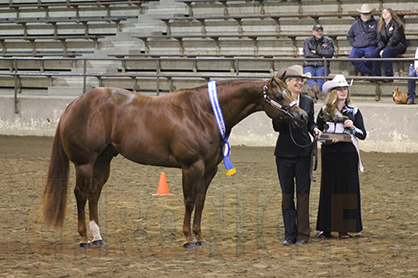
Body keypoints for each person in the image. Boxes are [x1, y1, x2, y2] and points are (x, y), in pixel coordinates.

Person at [273, 65, 320, 246]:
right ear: (287, 83)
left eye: (302, 80)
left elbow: (311, 124)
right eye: (297, 80)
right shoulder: (279, 101)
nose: (300, 82)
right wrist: (286, 112)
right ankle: (289, 233)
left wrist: (315, 130)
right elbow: (277, 126)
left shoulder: (308, 102)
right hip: (284, 153)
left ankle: (303, 233)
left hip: (303, 152)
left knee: (303, 194)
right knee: (287, 195)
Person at [315, 75, 367, 239]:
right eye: (339, 88)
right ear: (333, 92)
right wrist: (325, 138)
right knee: (328, 187)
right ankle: (326, 227)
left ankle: (344, 228)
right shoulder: (324, 111)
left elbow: (363, 134)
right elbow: (316, 130)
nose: (343, 91)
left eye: (345, 88)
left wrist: (352, 128)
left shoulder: (354, 111)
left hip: (347, 153)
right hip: (329, 152)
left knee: (346, 188)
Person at [373, 8, 407, 79]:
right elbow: (378, 39)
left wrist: (384, 49)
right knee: (374, 54)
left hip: (398, 46)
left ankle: (389, 77)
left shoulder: (397, 24)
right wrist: (382, 48)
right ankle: (376, 76)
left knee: (386, 53)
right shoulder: (380, 25)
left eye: (387, 13)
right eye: (383, 13)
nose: (384, 14)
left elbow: (395, 39)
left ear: (391, 14)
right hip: (386, 46)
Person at [303, 24, 334, 102]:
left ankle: (314, 95)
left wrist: (316, 52)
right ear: (313, 32)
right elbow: (307, 54)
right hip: (309, 64)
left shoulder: (328, 42)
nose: (319, 33)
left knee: (321, 77)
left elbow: (330, 54)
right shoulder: (307, 41)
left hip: (322, 64)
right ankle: (316, 92)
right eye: (317, 31)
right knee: (309, 76)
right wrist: (322, 55)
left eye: (321, 31)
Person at [347, 4, 379, 77]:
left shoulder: (376, 24)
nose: (365, 16)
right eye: (363, 14)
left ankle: (364, 72)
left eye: (367, 14)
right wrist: (354, 44)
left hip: (370, 46)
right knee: (352, 57)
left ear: (370, 14)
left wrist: (374, 43)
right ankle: (367, 72)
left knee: (370, 55)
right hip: (357, 47)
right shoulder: (355, 24)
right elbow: (349, 36)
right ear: (360, 14)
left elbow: (379, 36)